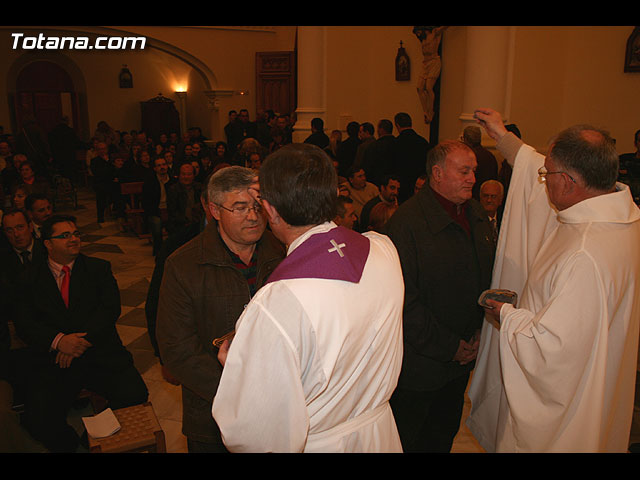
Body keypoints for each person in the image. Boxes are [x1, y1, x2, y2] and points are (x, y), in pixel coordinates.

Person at [467, 108, 640, 453]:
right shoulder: (623, 218)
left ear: (571, 182)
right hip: (603, 381)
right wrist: (504, 139)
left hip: (568, 411)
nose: (543, 180)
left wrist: (507, 315)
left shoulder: (584, 253)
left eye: (548, 175)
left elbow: (552, 349)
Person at [212, 143, 405, 453]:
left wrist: (240, 366)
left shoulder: (276, 303)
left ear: (271, 211)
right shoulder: (383, 250)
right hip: (378, 432)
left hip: (319, 444)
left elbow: (254, 432)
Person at [156, 166, 285, 453]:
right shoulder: (184, 265)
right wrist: (242, 391)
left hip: (281, 404)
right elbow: (177, 351)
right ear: (214, 210)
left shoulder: (282, 252)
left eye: (256, 206)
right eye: (239, 208)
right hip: (213, 413)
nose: (252, 216)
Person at [384, 139, 495, 453]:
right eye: (464, 171)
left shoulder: (473, 212)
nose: (472, 178)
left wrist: (476, 330)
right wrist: (450, 347)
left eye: (473, 170)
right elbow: (404, 300)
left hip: (460, 360)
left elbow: (481, 274)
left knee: (442, 438)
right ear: (437, 174)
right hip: (419, 367)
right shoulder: (406, 224)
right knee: (408, 442)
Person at [14, 214, 149, 452]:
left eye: (76, 234)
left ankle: (97, 438)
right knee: (39, 416)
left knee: (134, 394)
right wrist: (58, 342)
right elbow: (26, 324)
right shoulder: (29, 278)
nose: (74, 239)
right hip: (55, 360)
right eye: (64, 236)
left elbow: (109, 311)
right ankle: (74, 445)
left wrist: (76, 343)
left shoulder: (98, 269)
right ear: (47, 243)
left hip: (99, 352)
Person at [393, 112, 432, 203]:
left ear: (397, 125)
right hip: (419, 184)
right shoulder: (423, 142)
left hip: (402, 185)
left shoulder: (396, 143)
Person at [414, 26, 448, 124]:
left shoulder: (434, 33)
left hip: (434, 61)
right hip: (425, 63)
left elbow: (444, 28)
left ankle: (431, 111)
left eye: (419, 31)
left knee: (429, 87)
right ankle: (425, 111)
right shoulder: (422, 39)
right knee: (419, 88)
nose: (418, 34)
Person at [142, 156, 176, 255]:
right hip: (156, 211)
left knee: (176, 224)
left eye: (164, 164)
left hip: (170, 210)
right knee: (156, 226)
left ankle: (172, 251)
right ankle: (159, 252)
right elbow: (146, 202)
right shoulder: (150, 182)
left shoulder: (172, 181)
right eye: (159, 165)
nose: (162, 167)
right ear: (155, 168)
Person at [462, 125, 499, 200]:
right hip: (488, 198)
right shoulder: (490, 156)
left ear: (466, 139)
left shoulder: (467, 157)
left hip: (472, 198)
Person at [361, 119, 396, 187]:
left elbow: (367, 167)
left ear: (381, 129)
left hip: (377, 182)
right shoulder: (398, 144)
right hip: (396, 182)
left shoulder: (373, 146)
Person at [478, 179, 504, 247]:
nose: (489, 200)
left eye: (493, 196)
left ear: (500, 200)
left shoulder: (506, 220)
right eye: (485, 196)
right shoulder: (474, 222)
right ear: (480, 198)